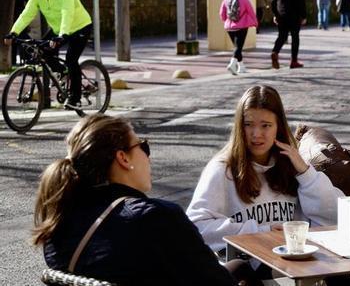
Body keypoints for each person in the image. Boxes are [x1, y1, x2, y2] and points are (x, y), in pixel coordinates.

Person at [34, 114, 237, 285]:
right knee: (241, 267)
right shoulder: (157, 218)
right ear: (123, 158)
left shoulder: (58, 219)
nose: (148, 156)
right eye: (143, 147)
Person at [187, 86, 343, 255]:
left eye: (266, 125)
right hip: (249, 266)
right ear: (239, 127)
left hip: (297, 260)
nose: (256, 134)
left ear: (279, 127)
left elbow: (336, 217)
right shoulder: (222, 170)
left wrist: (306, 174)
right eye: (248, 125)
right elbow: (195, 227)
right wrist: (260, 231)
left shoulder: (292, 165)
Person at [4, 0, 92, 109]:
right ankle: (63, 72)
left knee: (71, 59)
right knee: (43, 51)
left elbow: (67, 13)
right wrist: (14, 32)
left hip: (79, 27)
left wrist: (62, 35)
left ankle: (75, 99)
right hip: (59, 29)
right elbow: (27, 14)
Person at [271, 0, 307, 69]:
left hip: (281, 14)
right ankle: (293, 61)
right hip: (294, 15)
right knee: (295, 37)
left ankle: (275, 52)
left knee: (282, 36)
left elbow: (274, 0)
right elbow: (300, 0)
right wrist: (303, 15)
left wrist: (275, 14)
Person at [220, 0, 258, 75]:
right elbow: (251, 12)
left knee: (237, 47)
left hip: (229, 27)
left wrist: (227, 21)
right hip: (241, 26)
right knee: (238, 47)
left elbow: (222, 13)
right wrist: (255, 23)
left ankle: (241, 67)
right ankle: (232, 64)